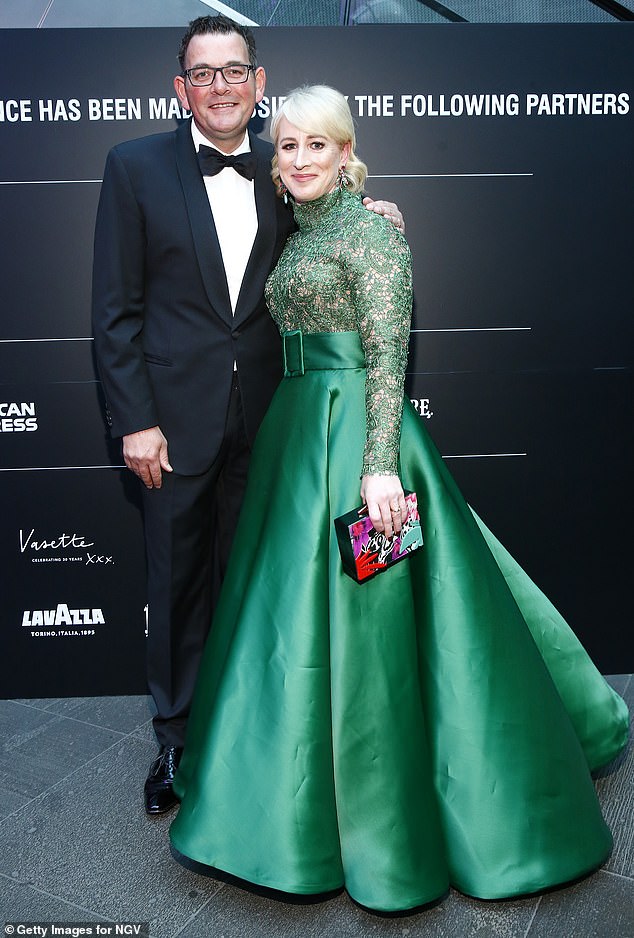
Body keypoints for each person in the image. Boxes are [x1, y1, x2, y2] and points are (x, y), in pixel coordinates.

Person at [169, 85, 629, 912]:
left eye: (318, 145)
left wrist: (380, 465)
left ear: (348, 151)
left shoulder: (374, 231)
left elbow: (388, 354)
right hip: (297, 436)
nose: (300, 159)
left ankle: (390, 819)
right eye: (287, 147)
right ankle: (289, 799)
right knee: (291, 621)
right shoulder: (306, 228)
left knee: (378, 621)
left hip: (355, 437)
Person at [91, 17, 404, 816]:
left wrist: (375, 214)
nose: (222, 85)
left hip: (277, 426)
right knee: (180, 587)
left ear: (259, 84)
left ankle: (253, 739)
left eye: (236, 70)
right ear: (181, 87)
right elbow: (115, 313)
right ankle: (177, 744)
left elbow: (331, 235)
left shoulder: (284, 162)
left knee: (261, 588)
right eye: (204, 73)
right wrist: (135, 420)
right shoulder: (133, 169)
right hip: (172, 427)